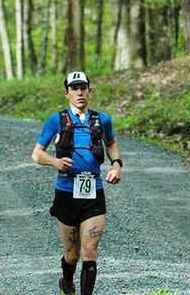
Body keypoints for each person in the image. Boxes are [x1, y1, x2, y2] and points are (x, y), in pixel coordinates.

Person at [31, 71, 123, 295]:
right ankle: (67, 282)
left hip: (94, 190)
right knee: (72, 254)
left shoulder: (102, 120)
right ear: (67, 93)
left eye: (83, 88)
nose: (79, 92)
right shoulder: (56, 120)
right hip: (66, 191)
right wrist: (54, 161)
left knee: (89, 250)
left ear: (90, 92)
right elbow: (36, 154)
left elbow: (111, 143)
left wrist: (116, 165)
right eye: (74, 89)